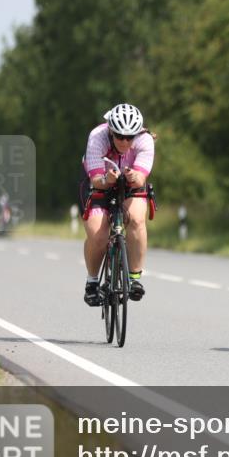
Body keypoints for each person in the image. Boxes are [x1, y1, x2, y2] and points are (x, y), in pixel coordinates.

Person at [80, 103, 155, 306]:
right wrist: (107, 179)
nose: (124, 141)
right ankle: (92, 282)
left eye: (129, 137)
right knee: (99, 235)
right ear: (111, 131)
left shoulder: (145, 140)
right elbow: (96, 180)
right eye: (119, 136)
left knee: (137, 219)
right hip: (99, 182)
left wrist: (134, 176)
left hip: (130, 184)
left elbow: (140, 179)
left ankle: (135, 277)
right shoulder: (97, 137)